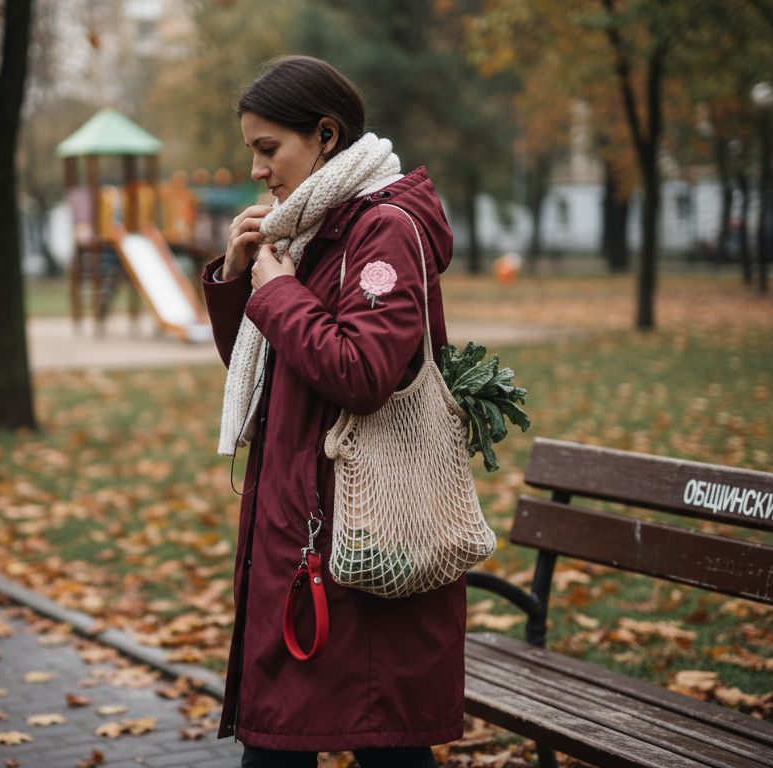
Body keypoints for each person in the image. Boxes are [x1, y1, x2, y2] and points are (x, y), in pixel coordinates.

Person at [203, 55, 461, 767]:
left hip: (360, 525)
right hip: (303, 521)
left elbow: (361, 372)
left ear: (324, 135)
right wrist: (237, 277)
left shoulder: (382, 230)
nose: (257, 169)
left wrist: (279, 290)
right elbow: (272, 375)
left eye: (267, 148)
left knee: (379, 745)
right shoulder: (309, 227)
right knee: (286, 738)